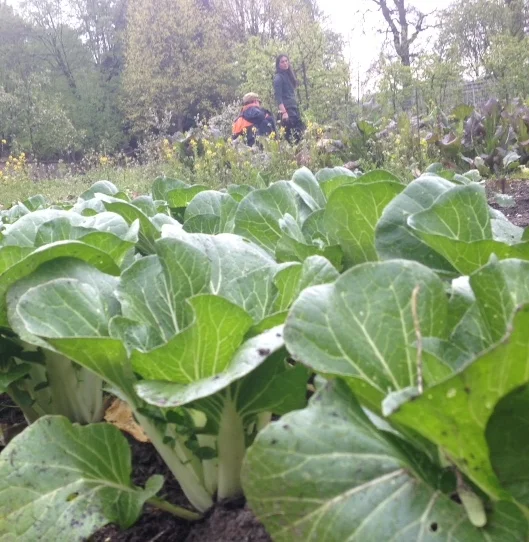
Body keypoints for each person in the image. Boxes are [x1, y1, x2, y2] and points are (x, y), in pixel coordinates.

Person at [273, 54, 305, 143]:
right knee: (292, 136)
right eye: (282, 62)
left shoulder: (289, 76)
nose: (285, 63)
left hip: (294, 109)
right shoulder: (278, 78)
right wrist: (284, 113)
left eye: (286, 61)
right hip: (287, 110)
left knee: (300, 133)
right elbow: (278, 97)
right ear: (278, 64)